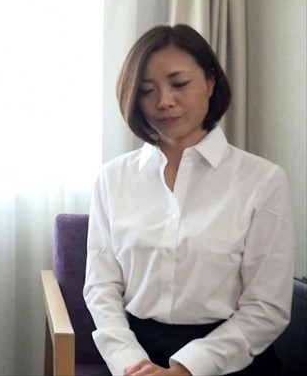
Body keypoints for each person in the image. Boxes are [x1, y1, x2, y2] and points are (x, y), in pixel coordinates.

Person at [84, 24, 294, 376]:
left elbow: (267, 306)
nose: (164, 101)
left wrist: (187, 368)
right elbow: (101, 287)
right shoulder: (113, 178)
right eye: (147, 90)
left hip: (230, 358)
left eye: (179, 84)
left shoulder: (262, 179)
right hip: (137, 357)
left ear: (210, 82)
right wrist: (131, 363)